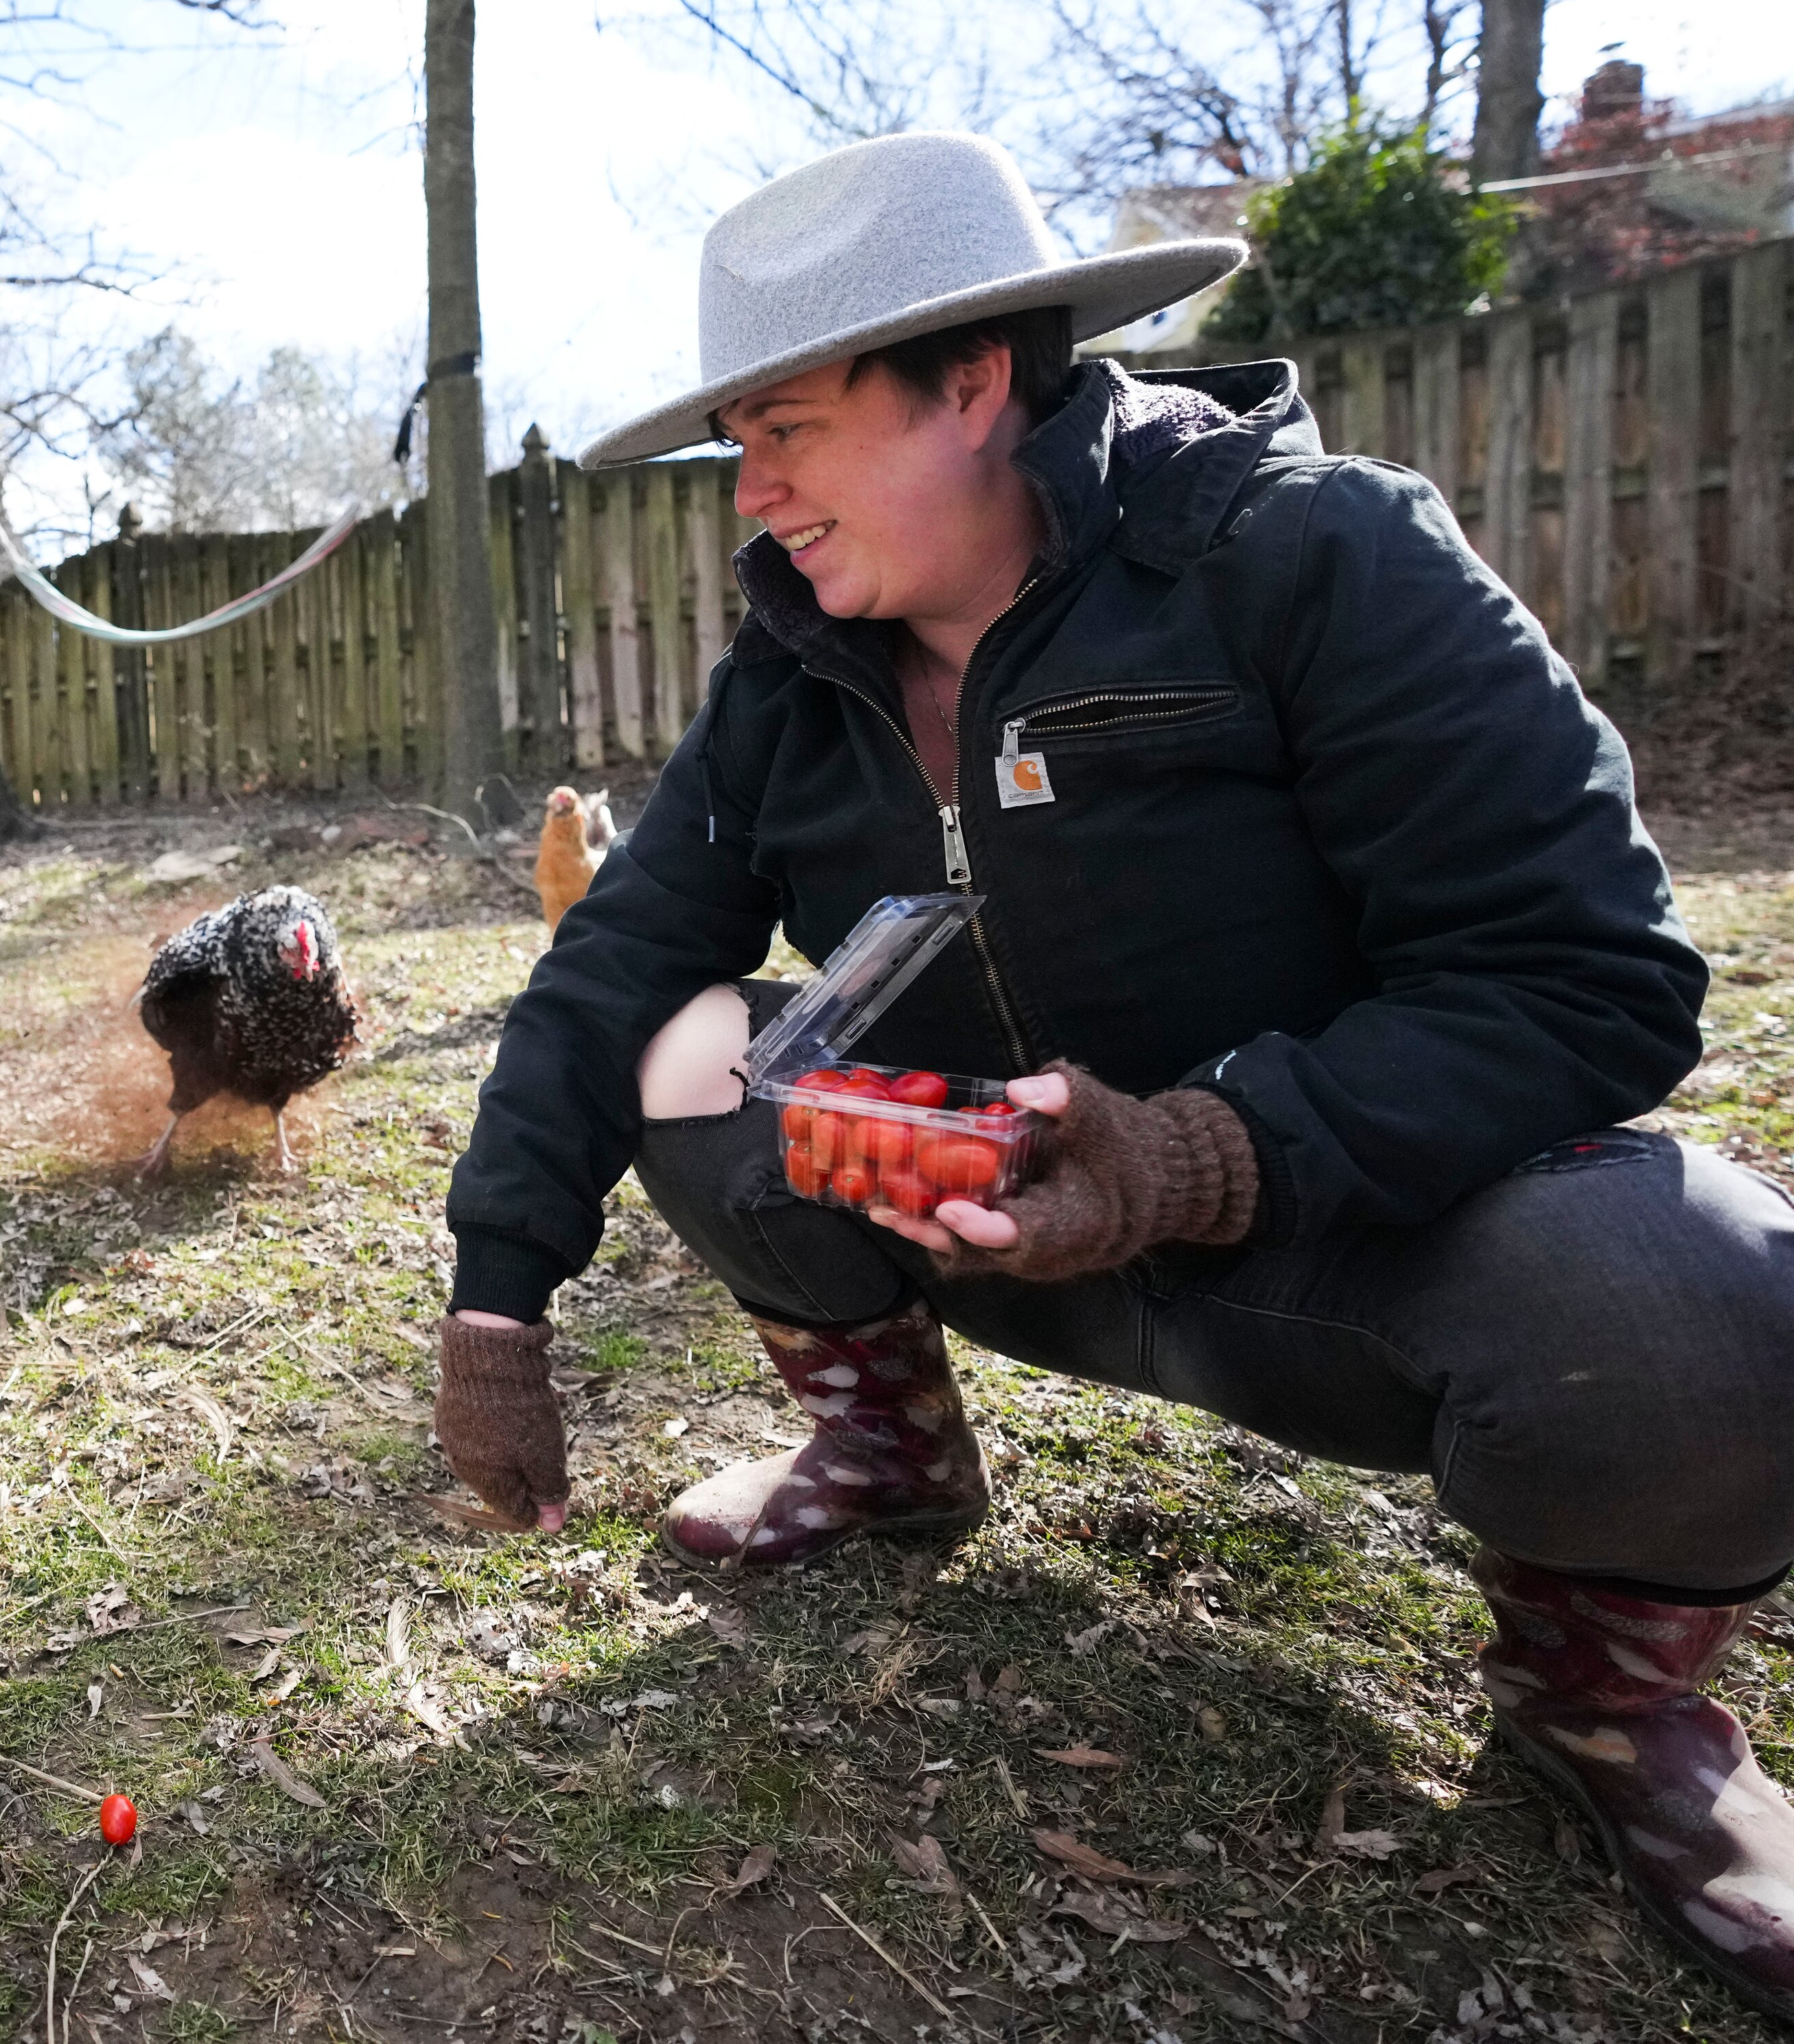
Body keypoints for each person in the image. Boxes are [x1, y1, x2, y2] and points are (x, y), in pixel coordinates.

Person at [430, 130, 1794, 2021]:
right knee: (694, 1047)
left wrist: (1199, 1154)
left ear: (975, 381)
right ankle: (889, 1453)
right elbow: (612, 976)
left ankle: (1603, 1714)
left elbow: (1587, 980)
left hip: (1345, 1253)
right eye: (736, 438)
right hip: (977, 1232)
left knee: (1705, 1300)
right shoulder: (793, 671)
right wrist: (497, 1292)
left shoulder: (1315, 556)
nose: (751, 491)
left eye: (793, 428)